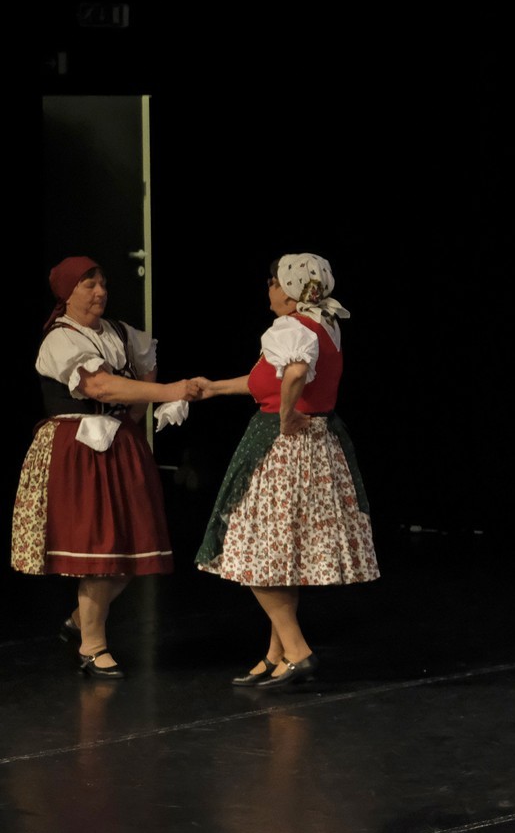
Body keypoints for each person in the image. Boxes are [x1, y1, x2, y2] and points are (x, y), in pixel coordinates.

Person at [191, 254, 377, 690]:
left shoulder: (290, 328)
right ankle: (276, 655)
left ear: (292, 290)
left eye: (275, 282)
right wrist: (214, 388)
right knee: (281, 558)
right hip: (317, 447)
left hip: (284, 452)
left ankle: (298, 651)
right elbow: (269, 380)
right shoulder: (324, 324)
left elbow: (293, 373)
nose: (269, 288)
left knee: (253, 554)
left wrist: (287, 414)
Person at [12, 256, 199, 678]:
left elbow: (144, 370)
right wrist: (167, 391)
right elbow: (98, 385)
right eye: (89, 285)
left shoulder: (120, 332)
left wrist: (133, 415)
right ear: (67, 293)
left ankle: (80, 620)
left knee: (133, 547)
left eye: (103, 284)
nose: (100, 292)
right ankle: (92, 647)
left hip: (118, 444)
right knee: (100, 553)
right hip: (78, 448)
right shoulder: (60, 339)